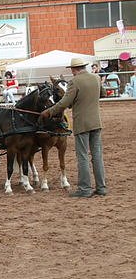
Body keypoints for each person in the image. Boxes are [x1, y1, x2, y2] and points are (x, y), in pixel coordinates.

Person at [40, 57, 107, 198]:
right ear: (84, 66)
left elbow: (64, 103)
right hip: (96, 122)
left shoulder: (74, 82)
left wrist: (49, 111)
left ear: (74, 69)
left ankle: (85, 189)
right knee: (97, 156)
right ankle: (101, 187)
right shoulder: (95, 78)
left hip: (82, 124)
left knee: (82, 156)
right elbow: (103, 93)